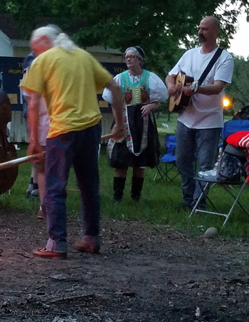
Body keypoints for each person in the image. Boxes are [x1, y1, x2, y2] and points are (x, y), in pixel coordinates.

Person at [21, 25, 125, 259]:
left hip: (62, 131)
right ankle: (91, 238)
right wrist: (119, 123)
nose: (34, 53)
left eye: (34, 47)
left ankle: (56, 243)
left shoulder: (44, 61)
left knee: (55, 186)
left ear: (46, 40)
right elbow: (115, 87)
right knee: (89, 185)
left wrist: (33, 141)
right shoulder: (84, 56)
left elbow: (33, 103)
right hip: (91, 129)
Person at [165, 16, 234, 210]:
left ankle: (198, 202)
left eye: (204, 29)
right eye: (199, 28)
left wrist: (197, 89)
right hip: (185, 117)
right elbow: (170, 75)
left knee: (205, 166)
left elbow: (217, 86)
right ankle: (187, 198)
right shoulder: (189, 54)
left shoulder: (224, 58)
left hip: (209, 120)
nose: (200, 32)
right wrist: (171, 87)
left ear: (215, 32)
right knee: (182, 161)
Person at [102, 46, 168, 203]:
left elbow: (159, 100)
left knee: (140, 163)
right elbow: (112, 102)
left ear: (140, 59)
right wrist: (118, 123)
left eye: (132, 56)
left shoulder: (150, 78)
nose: (128, 59)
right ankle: (117, 197)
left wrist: (151, 106)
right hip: (124, 121)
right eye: (126, 57)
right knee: (121, 160)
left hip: (143, 124)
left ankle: (135, 197)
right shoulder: (119, 79)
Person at [21, 51, 50, 219]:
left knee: (50, 165)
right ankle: (44, 204)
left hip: (59, 121)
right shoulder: (32, 61)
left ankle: (45, 202)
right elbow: (29, 97)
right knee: (43, 163)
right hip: (42, 120)